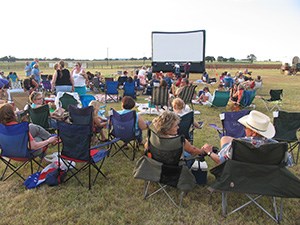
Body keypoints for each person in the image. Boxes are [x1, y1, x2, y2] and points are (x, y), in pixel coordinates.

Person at [202, 110, 278, 164]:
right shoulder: (276, 146)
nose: (244, 129)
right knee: (225, 138)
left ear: (253, 133)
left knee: (226, 140)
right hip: (267, 177)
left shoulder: (239, 144)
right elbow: (288, 162)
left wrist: (209, 152)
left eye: (246, 127)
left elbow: (220, 160)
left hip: (242, 176)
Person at [146, 111, 212, 155]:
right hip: (174, 168)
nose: (178, 127)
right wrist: (205, 150)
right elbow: (194, 151)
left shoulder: (153, 137)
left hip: (156, 166)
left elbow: (146, 147)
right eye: (175, 126)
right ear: (168, 128)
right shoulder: (179, 140)